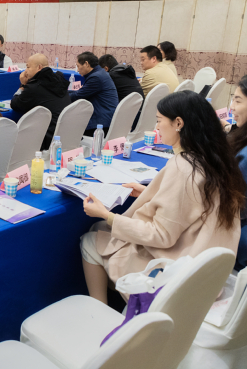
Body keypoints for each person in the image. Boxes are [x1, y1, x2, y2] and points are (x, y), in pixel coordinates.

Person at [80, 91, 244, 304]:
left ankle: (99, 310)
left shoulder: (184, 167)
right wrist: (150, 192)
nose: (156, 127)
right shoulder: (218, 159)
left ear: (178, 123)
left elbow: (161, 235)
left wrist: (107, 215)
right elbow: (192, 201)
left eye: (159, 120)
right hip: (207, 268)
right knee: (104, 231)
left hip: (176, 271)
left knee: (91, 240)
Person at [10, 53, 71, 150]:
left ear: (39, 67)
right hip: (66, 135)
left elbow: (15, 104)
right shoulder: (59, 80)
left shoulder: (35, 87)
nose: (25, 71)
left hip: (46, 138)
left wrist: (23, 86)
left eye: (28, 67)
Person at [224, 75, 247, 270]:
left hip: (238, 240)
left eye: (238, 101)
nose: (231, 107)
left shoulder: (244, 156)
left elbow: (228, 206)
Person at [69, 52, 119, 136]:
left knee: (70, 130)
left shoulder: (96, 78)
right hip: (107, 118)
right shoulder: (100, 73)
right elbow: (80, 92)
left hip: (101, 124)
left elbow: (77, 96)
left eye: (78, 66)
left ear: (86, 64)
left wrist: (62, 95)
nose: (77, 70)